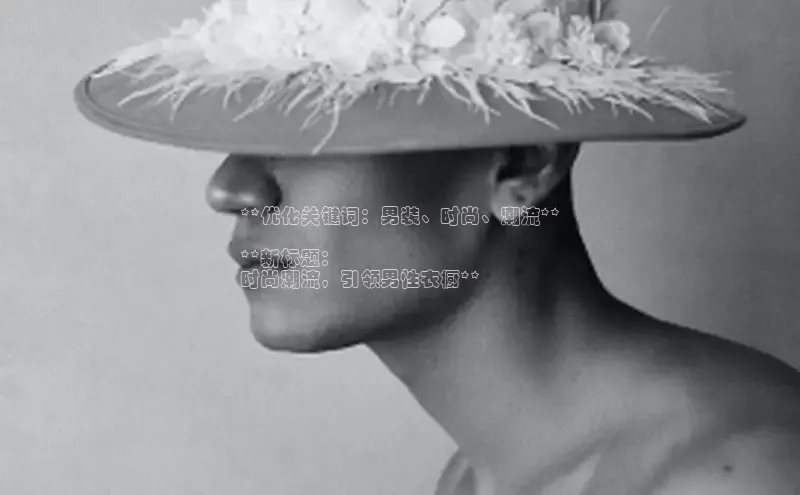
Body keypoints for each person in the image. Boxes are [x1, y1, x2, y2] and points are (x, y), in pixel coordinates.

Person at [72, 1, 800, 493]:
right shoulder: (481, 475)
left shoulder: (734, 475)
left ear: (521, 163)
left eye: (310, 122)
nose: (230, 187)